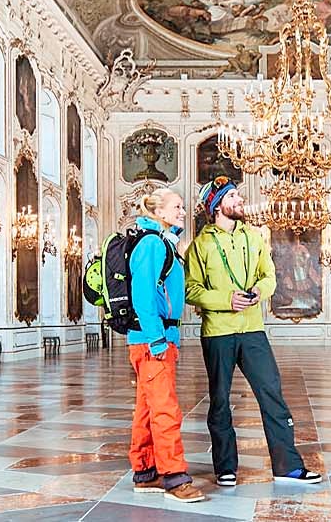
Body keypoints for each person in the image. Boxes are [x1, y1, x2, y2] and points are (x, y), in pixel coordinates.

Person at [184, 177, 322, 488]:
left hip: (253, 329)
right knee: (220, 399)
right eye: (233, 196)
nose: (240, 199)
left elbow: (269, 274)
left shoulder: (254, 237)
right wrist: (224, 300)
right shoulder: (200, 245)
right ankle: (225, 467)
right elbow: (191, 290)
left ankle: (288, 466)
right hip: (217, 331)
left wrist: (260, 291)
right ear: (218, 205)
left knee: (272, 393)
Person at [126, 188, 204, 502]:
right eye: (177, 206)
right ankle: (175, 477)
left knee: (147, 409)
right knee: (166, 410)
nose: (183, 211)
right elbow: (143, 296)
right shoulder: (151, 243)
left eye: (183, 207)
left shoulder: (162, 242)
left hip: (157, 338)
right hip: (152, 340)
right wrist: (158, 339)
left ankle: (145, 472)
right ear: (158, 211)